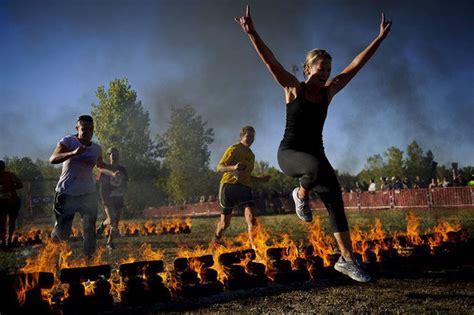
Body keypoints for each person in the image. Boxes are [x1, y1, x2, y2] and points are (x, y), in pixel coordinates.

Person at [235, 5, 391, 282]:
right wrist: (252, 33)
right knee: (316, 168)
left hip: (316, 155)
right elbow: (271, 62)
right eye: (321, 68)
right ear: (307, 69)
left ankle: (346, 259)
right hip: (290, 154)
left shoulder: (330, 92)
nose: (325, 73)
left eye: (328, 69)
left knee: (335, 201)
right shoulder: (293, 88)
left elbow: (356, 66)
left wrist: (378, 39)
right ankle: (301, 195)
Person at [49, 115, 120, 257]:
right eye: (84, 129)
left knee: (89, 229)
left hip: (88, 194)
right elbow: (53, 159)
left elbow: (99, 166)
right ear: (77, 129)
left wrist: (112, 173)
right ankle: (56, 236)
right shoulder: (67, 141)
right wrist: (72, 153)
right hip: (66, 193)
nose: (88, 132)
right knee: (64, 233)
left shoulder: (96, 148)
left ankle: (89, 260)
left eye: (91, 129)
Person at [212, 126, 270, 249]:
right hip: (228, 187)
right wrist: (234, 167)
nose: (251, 139)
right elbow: (219, 167)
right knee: (224, 224)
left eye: (253, 136)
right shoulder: (234, 149)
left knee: (251, 217)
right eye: (248, 136)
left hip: (244, 187)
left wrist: (261, 179)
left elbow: (247, 176)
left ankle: (255, 248)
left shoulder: (251, 155)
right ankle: (216, 237)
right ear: (241, 136)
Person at [96, 147, 128, 250]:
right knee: (112, 220)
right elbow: (99, 184)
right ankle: (103, 224)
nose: (114, 156)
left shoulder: (122, 169)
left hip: (119, 197)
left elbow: (125, 184)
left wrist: (122, 191)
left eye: (116, 154)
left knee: (116, 223)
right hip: (107, 198)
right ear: (109, 156)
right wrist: (102, 196)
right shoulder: (105, 168)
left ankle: (109, 242)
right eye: (112, 154)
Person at [0, 160, 23, 249]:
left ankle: (9, 241)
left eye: (1, 168)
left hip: (13, 202)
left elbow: (20, 184)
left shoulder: (10, 175)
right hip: (1, 204)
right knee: (2, 222)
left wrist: (9, 187)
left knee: (11, 222)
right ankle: (3, 242)